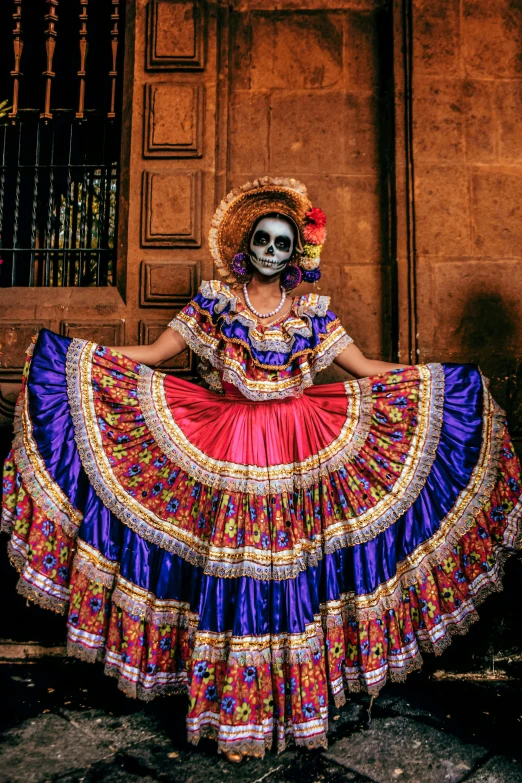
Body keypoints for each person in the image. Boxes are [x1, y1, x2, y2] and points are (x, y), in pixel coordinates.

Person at [2, 177, 521, 762]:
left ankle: (289, 711)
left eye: (282, 244)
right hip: (227, 444)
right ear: (244, 247)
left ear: (297, 254)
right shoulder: (214, 306)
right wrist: (74, 357)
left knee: (290, 580)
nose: (272, 252)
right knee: (233, 578)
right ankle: (231, 719)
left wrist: (440, 381)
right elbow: (154, 357)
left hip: (299, 450)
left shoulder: (311, 317)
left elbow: (365, 368)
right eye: (263, 241)